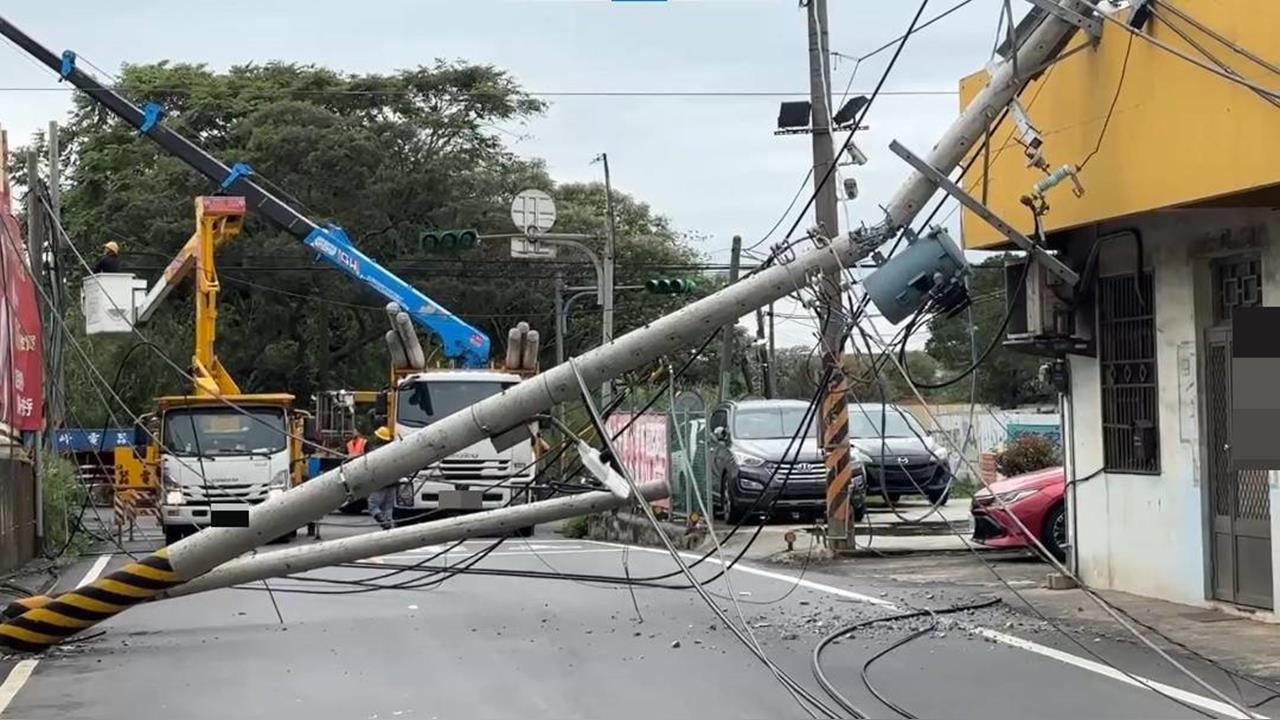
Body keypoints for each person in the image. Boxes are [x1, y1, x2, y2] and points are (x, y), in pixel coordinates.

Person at [365, 425, 396, 530]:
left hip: (380, 483)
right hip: (392, 483)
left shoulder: (375, 451)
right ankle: (388, 525)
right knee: (387, 507)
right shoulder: (393, 450)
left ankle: (383, 522)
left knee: (373, 505)